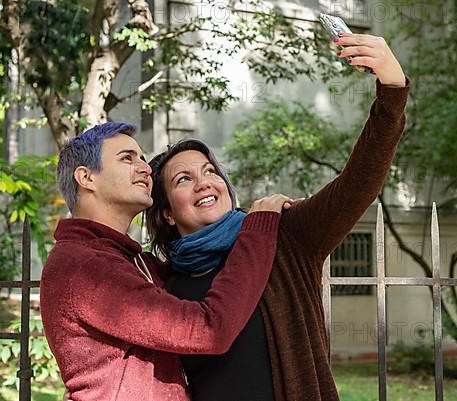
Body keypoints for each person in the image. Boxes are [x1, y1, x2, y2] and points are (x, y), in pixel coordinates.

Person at [145, 32, 411, 401]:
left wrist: (392, 89)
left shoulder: (283, 235)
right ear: (167, 214)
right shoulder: (165, 282)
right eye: (184, 179)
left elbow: (357, 184)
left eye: (210, 171)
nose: (204, 183)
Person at [40, 121, 294, 401]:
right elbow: (208, 330)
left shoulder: (133, 261)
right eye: (127, 158)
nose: (145, 168)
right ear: (86, 178)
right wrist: (257, 230)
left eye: (141, 158)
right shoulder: (83, 266)